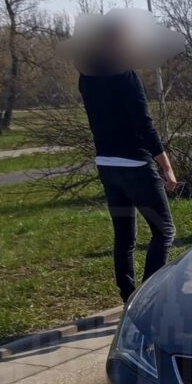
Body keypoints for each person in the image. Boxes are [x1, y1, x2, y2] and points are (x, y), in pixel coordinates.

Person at [78, 30, 177, 305]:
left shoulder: (87, 78)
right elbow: (144, 124)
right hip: (135, 164)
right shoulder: (126, 76)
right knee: (165, 230)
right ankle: (145, 299)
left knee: (124, 236)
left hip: (107, 165)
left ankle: (128, 296)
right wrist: (166, 166)